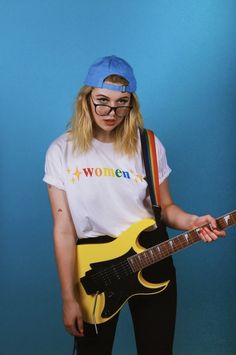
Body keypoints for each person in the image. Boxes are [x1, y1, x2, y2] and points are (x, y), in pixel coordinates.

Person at [43, 55, 225, 355]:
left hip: (152, 255)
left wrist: (192, 221)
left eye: (121, 103)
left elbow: (165, 209)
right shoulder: (61, 150)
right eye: (102, 100)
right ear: (85, 99)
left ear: (131, 104)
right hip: (96, 266)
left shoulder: (149, 144)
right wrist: (68, 298)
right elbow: (63, 230)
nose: (111, 111)